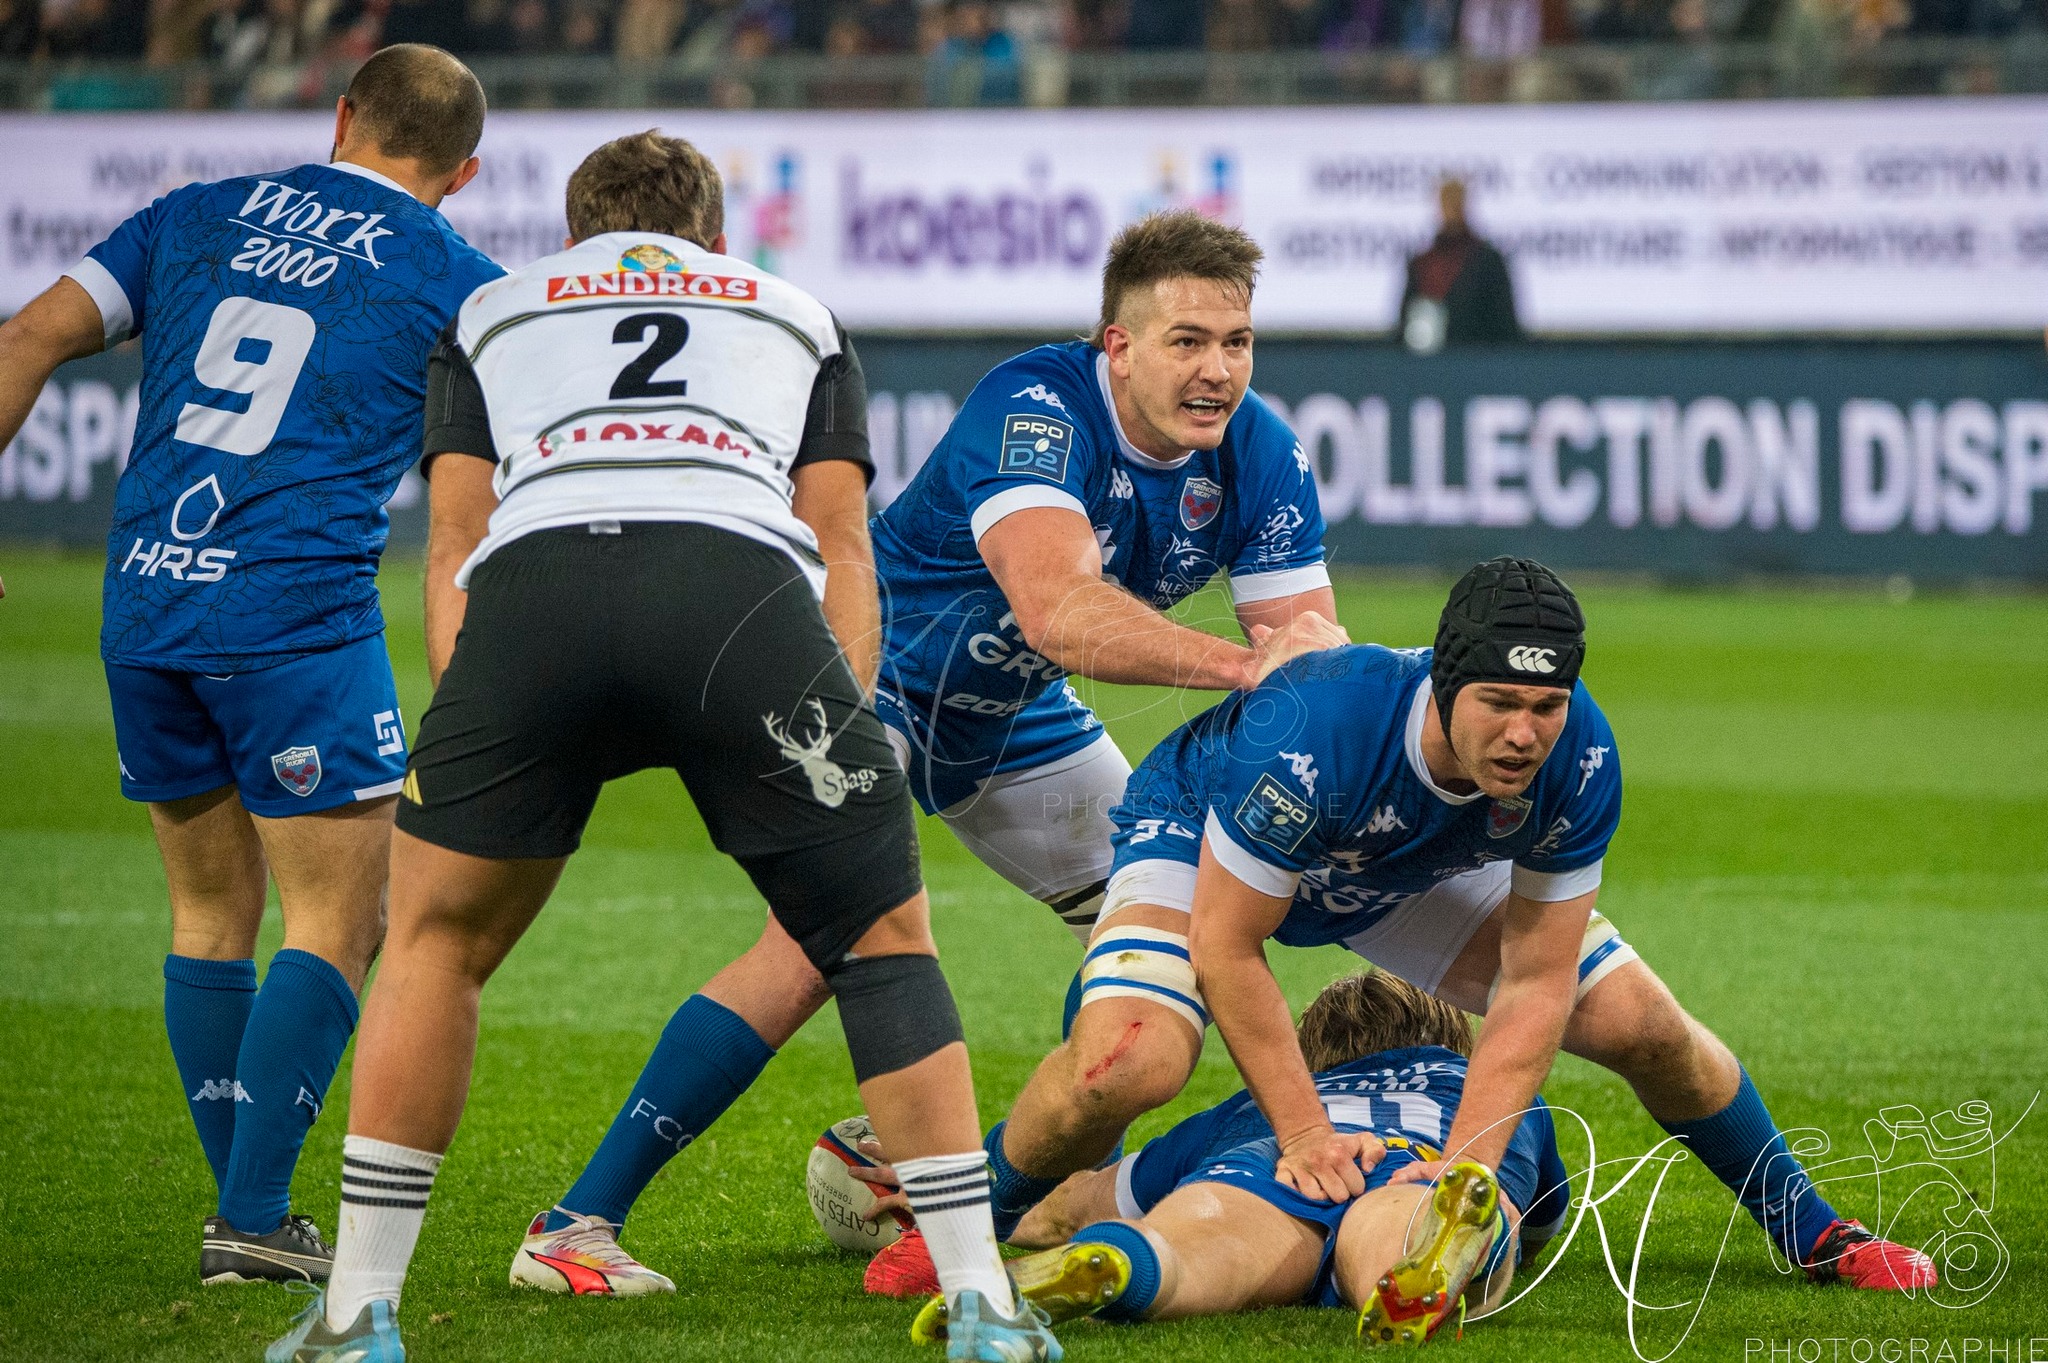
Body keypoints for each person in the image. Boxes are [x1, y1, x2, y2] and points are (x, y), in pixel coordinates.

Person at [264, 130, 1059, 1363]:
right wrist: (834, 726)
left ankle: (356, 1313)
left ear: (575, 237)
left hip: (532, 601)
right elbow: (842, 541)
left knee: (432, 942)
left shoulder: (493, 309)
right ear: (715, 240)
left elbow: (451, 538)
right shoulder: (795, 312)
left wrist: (474, 708)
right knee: (881, 944)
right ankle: (981, 1307)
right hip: (736, 601)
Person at [526, 208, 1347, 1296]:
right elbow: (1058, 611)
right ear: (1118, 345)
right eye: (1185, 341)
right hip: (868, 683)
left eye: (1234, 342)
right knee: (821, 946)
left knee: (1167, 918)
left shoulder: (1259, 451)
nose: (1216, 370)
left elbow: (1305, 649)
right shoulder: (1036, 408)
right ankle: (573, 1224)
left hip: (1008, 712)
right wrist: (1250, 671)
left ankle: (1037, 1184)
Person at [1072, 557, 1935, 1294]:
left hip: (1399, 863)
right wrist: (1304, 1133)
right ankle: (971, 1216)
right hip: (1203, 831)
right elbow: (1229, 943)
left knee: (1643, 1021)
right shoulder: (1323, 725)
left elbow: (1537, 978)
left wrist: (1469, 1167)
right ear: (1444, 682)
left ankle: (1815, 1231)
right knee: (1130, 1047)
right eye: (1499, 701)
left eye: (1546, 703)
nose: (1526, 734)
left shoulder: (1582, 756)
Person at [0, 43, 499, 1287]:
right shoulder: (457, 279)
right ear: (467, 170)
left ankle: (248, 1217)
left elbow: (23, 337)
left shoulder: (190, 214)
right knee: (343, 919)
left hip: (145, 608)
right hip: (296, 618)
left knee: (210, 913)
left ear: (339, 117)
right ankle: (253, 1211)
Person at [911, 971, 1571, 1344]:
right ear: (1454, 1042)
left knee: (1204, 1233)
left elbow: (1070, 1202)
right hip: (1425, 1159)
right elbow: (1542, 1219)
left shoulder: (1262, 1104)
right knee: (1405, 1217)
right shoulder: (1487, 1088)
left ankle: (1124, 1261)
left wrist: (949, 1203)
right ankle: (1428, 1252)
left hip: (1285, 1157)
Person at [1397, 178, 1522, 352]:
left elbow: (1505, 325)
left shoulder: (1488, 263)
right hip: (1428, 367)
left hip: (1477, 362)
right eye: (1446, 202)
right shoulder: (1422, 264)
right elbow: (1405, 325)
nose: (1451, 209)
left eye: (1456, 201)